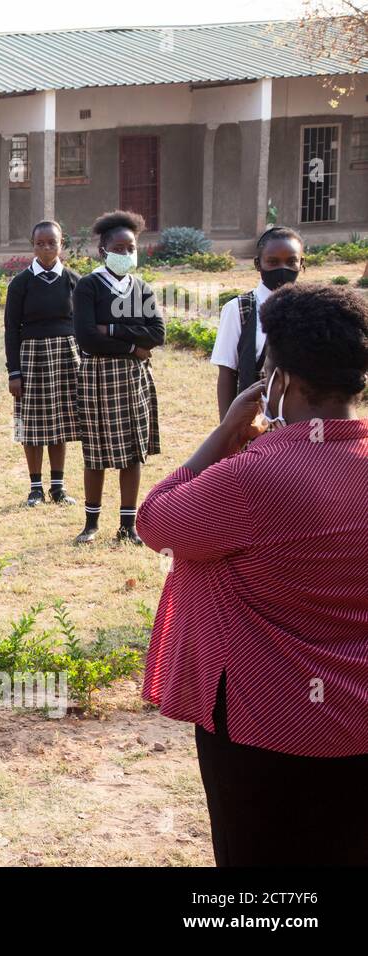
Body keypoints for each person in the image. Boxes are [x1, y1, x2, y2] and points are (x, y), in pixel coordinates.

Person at [138, 283, 368, 866]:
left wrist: (221, 437)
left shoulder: (255, 477)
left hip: (261, 719)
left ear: (281, 380)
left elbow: (156, 520)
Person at [73, 210, 163, 545]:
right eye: (119, 249)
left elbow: (157, 334)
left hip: (134, 380)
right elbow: (86, 338)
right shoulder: (88, 286)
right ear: (103, 251)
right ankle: (91, 522)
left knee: (132, 451)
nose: (126, 254)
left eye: (131, 248)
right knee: (95, 452)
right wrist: (132, 347)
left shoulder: (141, 288)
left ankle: (128, 525)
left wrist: (111, 328)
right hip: (99, 376)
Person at [3, 221, 81, 505]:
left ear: (62, 244)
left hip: (65, 358)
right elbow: (11, 328)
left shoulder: (74, 280)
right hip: (31, 358)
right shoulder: (21, 283)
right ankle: (35, 487)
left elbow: (83, 325)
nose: (46, 248)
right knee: (32, 425)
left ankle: (57, 487)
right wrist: (14, 372)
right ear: (32, 245)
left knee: (59, 423)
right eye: (40, 243)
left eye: (52, 242)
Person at [211, 226, 304, 421]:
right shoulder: (239, 309)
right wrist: (228, 430)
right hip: (255, 422)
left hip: (301, 421)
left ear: (301, 263)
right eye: (273, 262)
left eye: (291, 261)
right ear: (257, 264)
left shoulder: (311, 308)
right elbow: (227, 373)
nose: (282, 268)